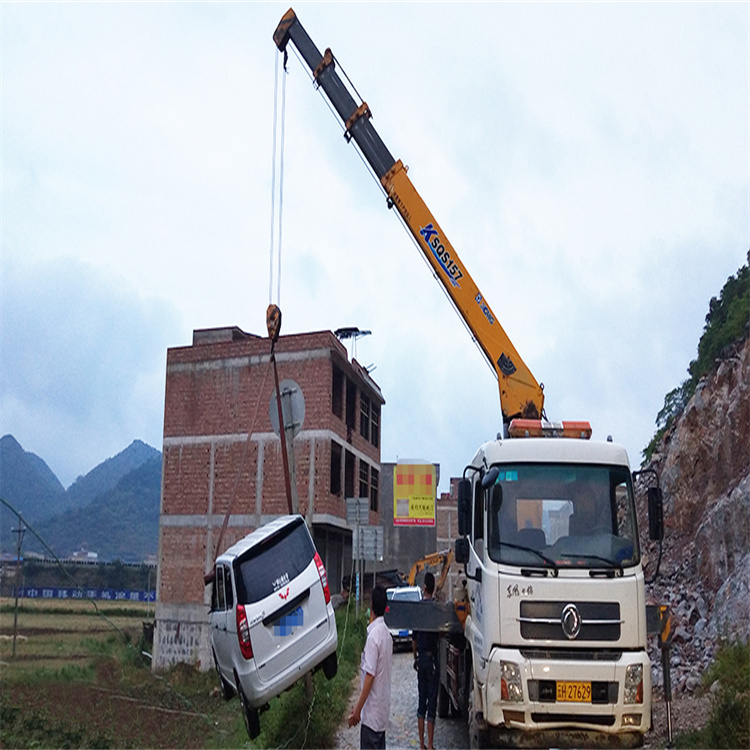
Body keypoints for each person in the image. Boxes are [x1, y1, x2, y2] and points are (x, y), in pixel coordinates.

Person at [348, 585, 392, 748]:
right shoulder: (386, 634)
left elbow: (370, 677)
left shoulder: (374, 637)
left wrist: (357, 710)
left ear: (371, 605)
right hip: (381, 713)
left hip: (371, 716)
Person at [412, 572, 440, 750]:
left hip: (421, 659)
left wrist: (415, 656)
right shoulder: (435, 610)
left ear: (424, 588)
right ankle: (430, 745)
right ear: (434, 587)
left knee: (421, 702)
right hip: (433, 660)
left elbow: (413, 639)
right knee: (432, 703)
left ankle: (421, 745)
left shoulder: (419, 610)